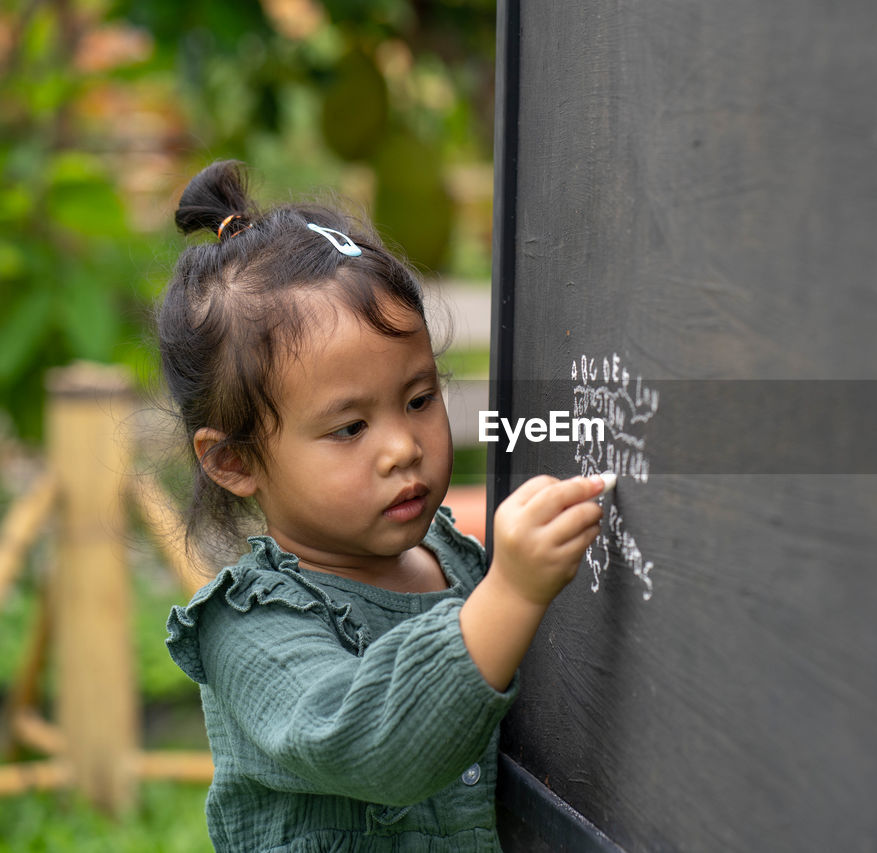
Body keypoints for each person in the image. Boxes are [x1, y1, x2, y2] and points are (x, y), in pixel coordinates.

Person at [161, 160, 604, 851]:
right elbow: (374, 746)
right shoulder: (248, 633)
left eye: (420, 399)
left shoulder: (455, 560)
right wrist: (512, 591)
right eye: (349, 428)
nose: (403, 446)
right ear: (235, 461)